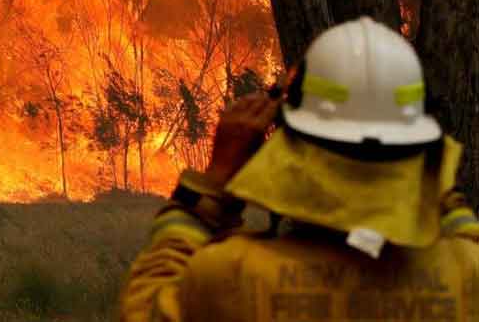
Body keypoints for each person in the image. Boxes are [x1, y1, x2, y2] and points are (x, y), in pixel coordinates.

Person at [120, 17, 479, 322]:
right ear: (416, 145)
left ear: (295, 145)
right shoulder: (467, 272)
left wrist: (211, 185)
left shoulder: (233, 277)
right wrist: (423, 165)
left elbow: (146, 307)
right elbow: (459, 222)